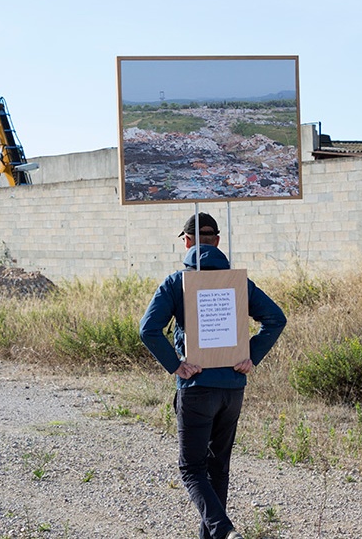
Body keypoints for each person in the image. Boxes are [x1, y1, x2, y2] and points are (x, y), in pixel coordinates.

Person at [139, 212, 287, 539]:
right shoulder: (238, 283)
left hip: (196, 388)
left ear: (187, 242)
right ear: (218, 242)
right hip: (233, 389)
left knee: (192, 469)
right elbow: (276, 319)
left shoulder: (176, 282)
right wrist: (251, 354)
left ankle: (223, 531)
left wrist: (176, 365)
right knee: (218, 468)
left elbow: (148, 330)